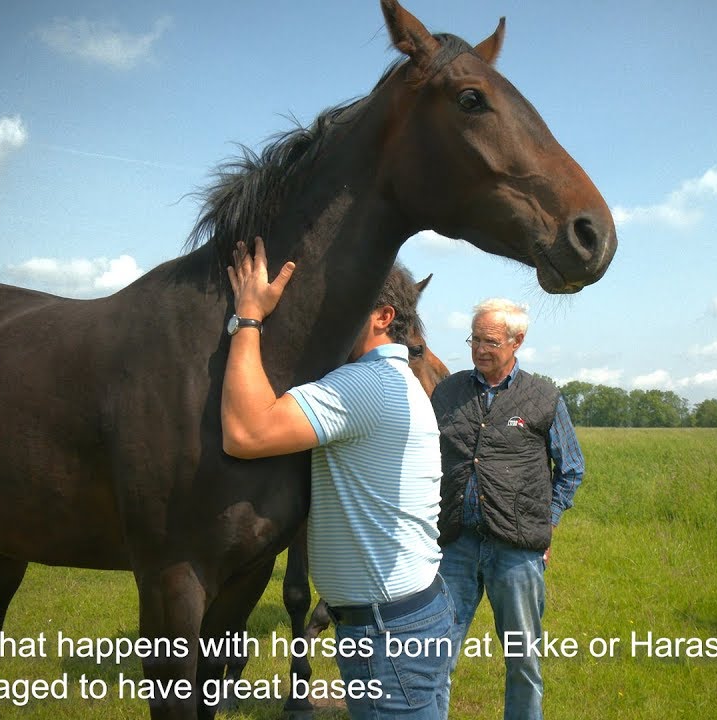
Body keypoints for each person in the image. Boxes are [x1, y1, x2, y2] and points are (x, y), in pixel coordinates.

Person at [220, 236, 454, 719]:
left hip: (387, 637)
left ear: (383, 316)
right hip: (415, 613)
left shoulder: (364, 385)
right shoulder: (399, 381)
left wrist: (248, 318)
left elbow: (244, 432)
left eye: (343, 301)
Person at [431, 298, 585, 720]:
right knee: (437, 654)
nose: (480, 349)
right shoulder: (447, 392)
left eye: (491, 341)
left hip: (517, 551)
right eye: (475, 339)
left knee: (523, 660)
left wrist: (547, 523)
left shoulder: (543, 397)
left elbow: (571, 469)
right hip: (455, 545)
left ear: (517, 341)